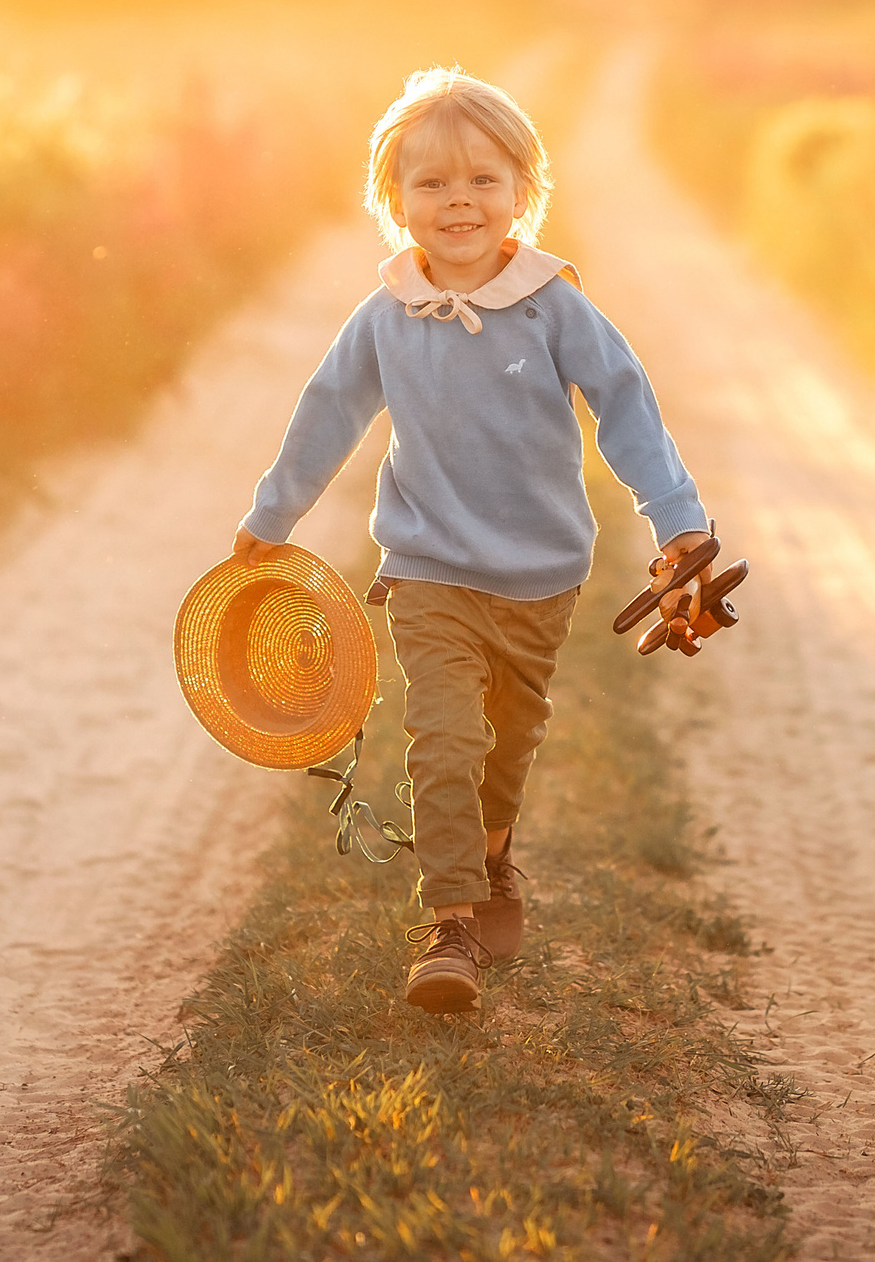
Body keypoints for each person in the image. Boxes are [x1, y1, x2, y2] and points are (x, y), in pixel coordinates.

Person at [232, 65, 710, 1014]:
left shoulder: (554, 305)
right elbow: (327, 414)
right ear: (394, 200)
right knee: (444, 739)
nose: (459, 201)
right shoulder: (384, 318)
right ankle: (448, 922)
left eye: (483, 180)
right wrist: (271, 516)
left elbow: (627, 410)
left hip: (541, 576)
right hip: (428, 568)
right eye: (433, 182)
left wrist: (678, 520)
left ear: (523, 193)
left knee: (509, 744)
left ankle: (491, 859)